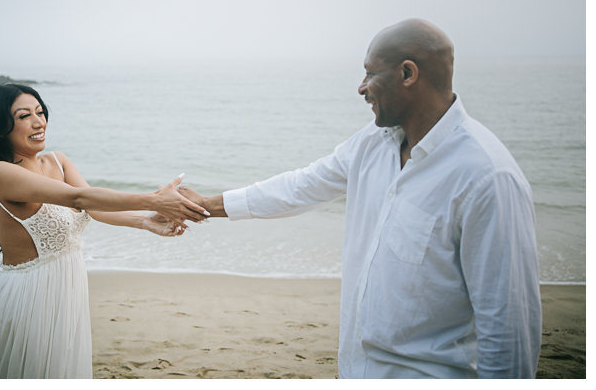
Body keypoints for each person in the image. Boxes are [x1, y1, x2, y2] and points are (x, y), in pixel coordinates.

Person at [179, 20, 542, 379]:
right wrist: (207, 206)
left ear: (407, 73)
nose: (361, 87)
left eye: (370, 73)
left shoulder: (487, 178)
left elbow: (508, 332)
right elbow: (301, 186)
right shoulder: (373, 142)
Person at [0, 83, 207, 379]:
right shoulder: (1, 173)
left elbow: (94, 208)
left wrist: (146, 220)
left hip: (68, 286)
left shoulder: (58, 162)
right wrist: (153, 199)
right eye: (24, 116)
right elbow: (79, 198)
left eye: (40, 112)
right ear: (0, 127)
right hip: (31, 293)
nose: (39, 122)